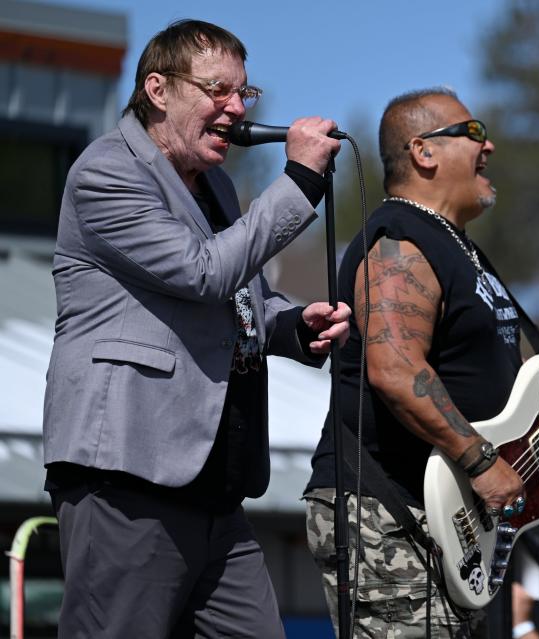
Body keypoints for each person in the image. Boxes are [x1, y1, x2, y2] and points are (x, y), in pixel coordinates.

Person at [41, 19, 349, 638]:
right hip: (127, 475)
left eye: (244, 94)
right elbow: (201, 271)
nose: (235, 109)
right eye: (217, 91)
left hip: (214, 487)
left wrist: (291, 325)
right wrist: (301, 183)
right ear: (158, 89)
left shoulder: (217, 187)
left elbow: (240, 299)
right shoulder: (106, 172)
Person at [303, 87, 539, 637]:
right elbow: (394, 370)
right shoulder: (398, 242)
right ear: (424, 151)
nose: (490, 148)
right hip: (390, 508)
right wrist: (483, 464)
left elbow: (501, 389)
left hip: (451, 520)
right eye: (474, 132)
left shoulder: (459, 249)